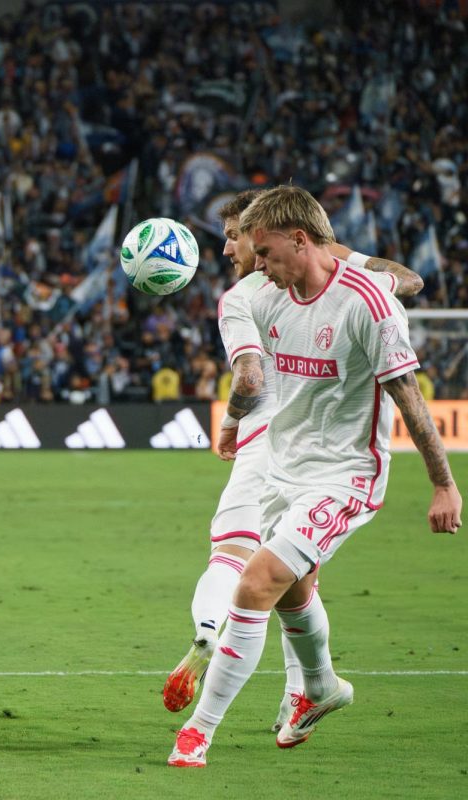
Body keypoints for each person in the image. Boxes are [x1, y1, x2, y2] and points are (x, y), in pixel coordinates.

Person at [168, 185, 461, 767]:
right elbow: (253, 375)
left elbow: (408, 396)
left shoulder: (366, 303)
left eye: (265, 253)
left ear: (299, 240)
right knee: (290, 594)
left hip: (346, 477)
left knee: (254, 582)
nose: (257, 266)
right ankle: (319, 686)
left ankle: (198, 733)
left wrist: (444, 484)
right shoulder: (263, 296)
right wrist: (235, 423)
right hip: (280, 467)